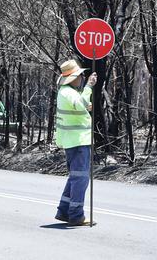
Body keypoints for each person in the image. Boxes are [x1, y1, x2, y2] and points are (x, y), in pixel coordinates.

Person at [54, 59, 97, 226]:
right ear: (73, 78)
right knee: (81, 179)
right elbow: (80, 105)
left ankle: (64, 211)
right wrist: (89, 87)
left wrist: (85, 103)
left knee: (75, 177)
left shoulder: (67, 92)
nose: (82, 78)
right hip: (78, 142)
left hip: (74, 141)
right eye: (80, 75)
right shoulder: (68, 92)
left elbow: (79, 106)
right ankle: (76, 215)